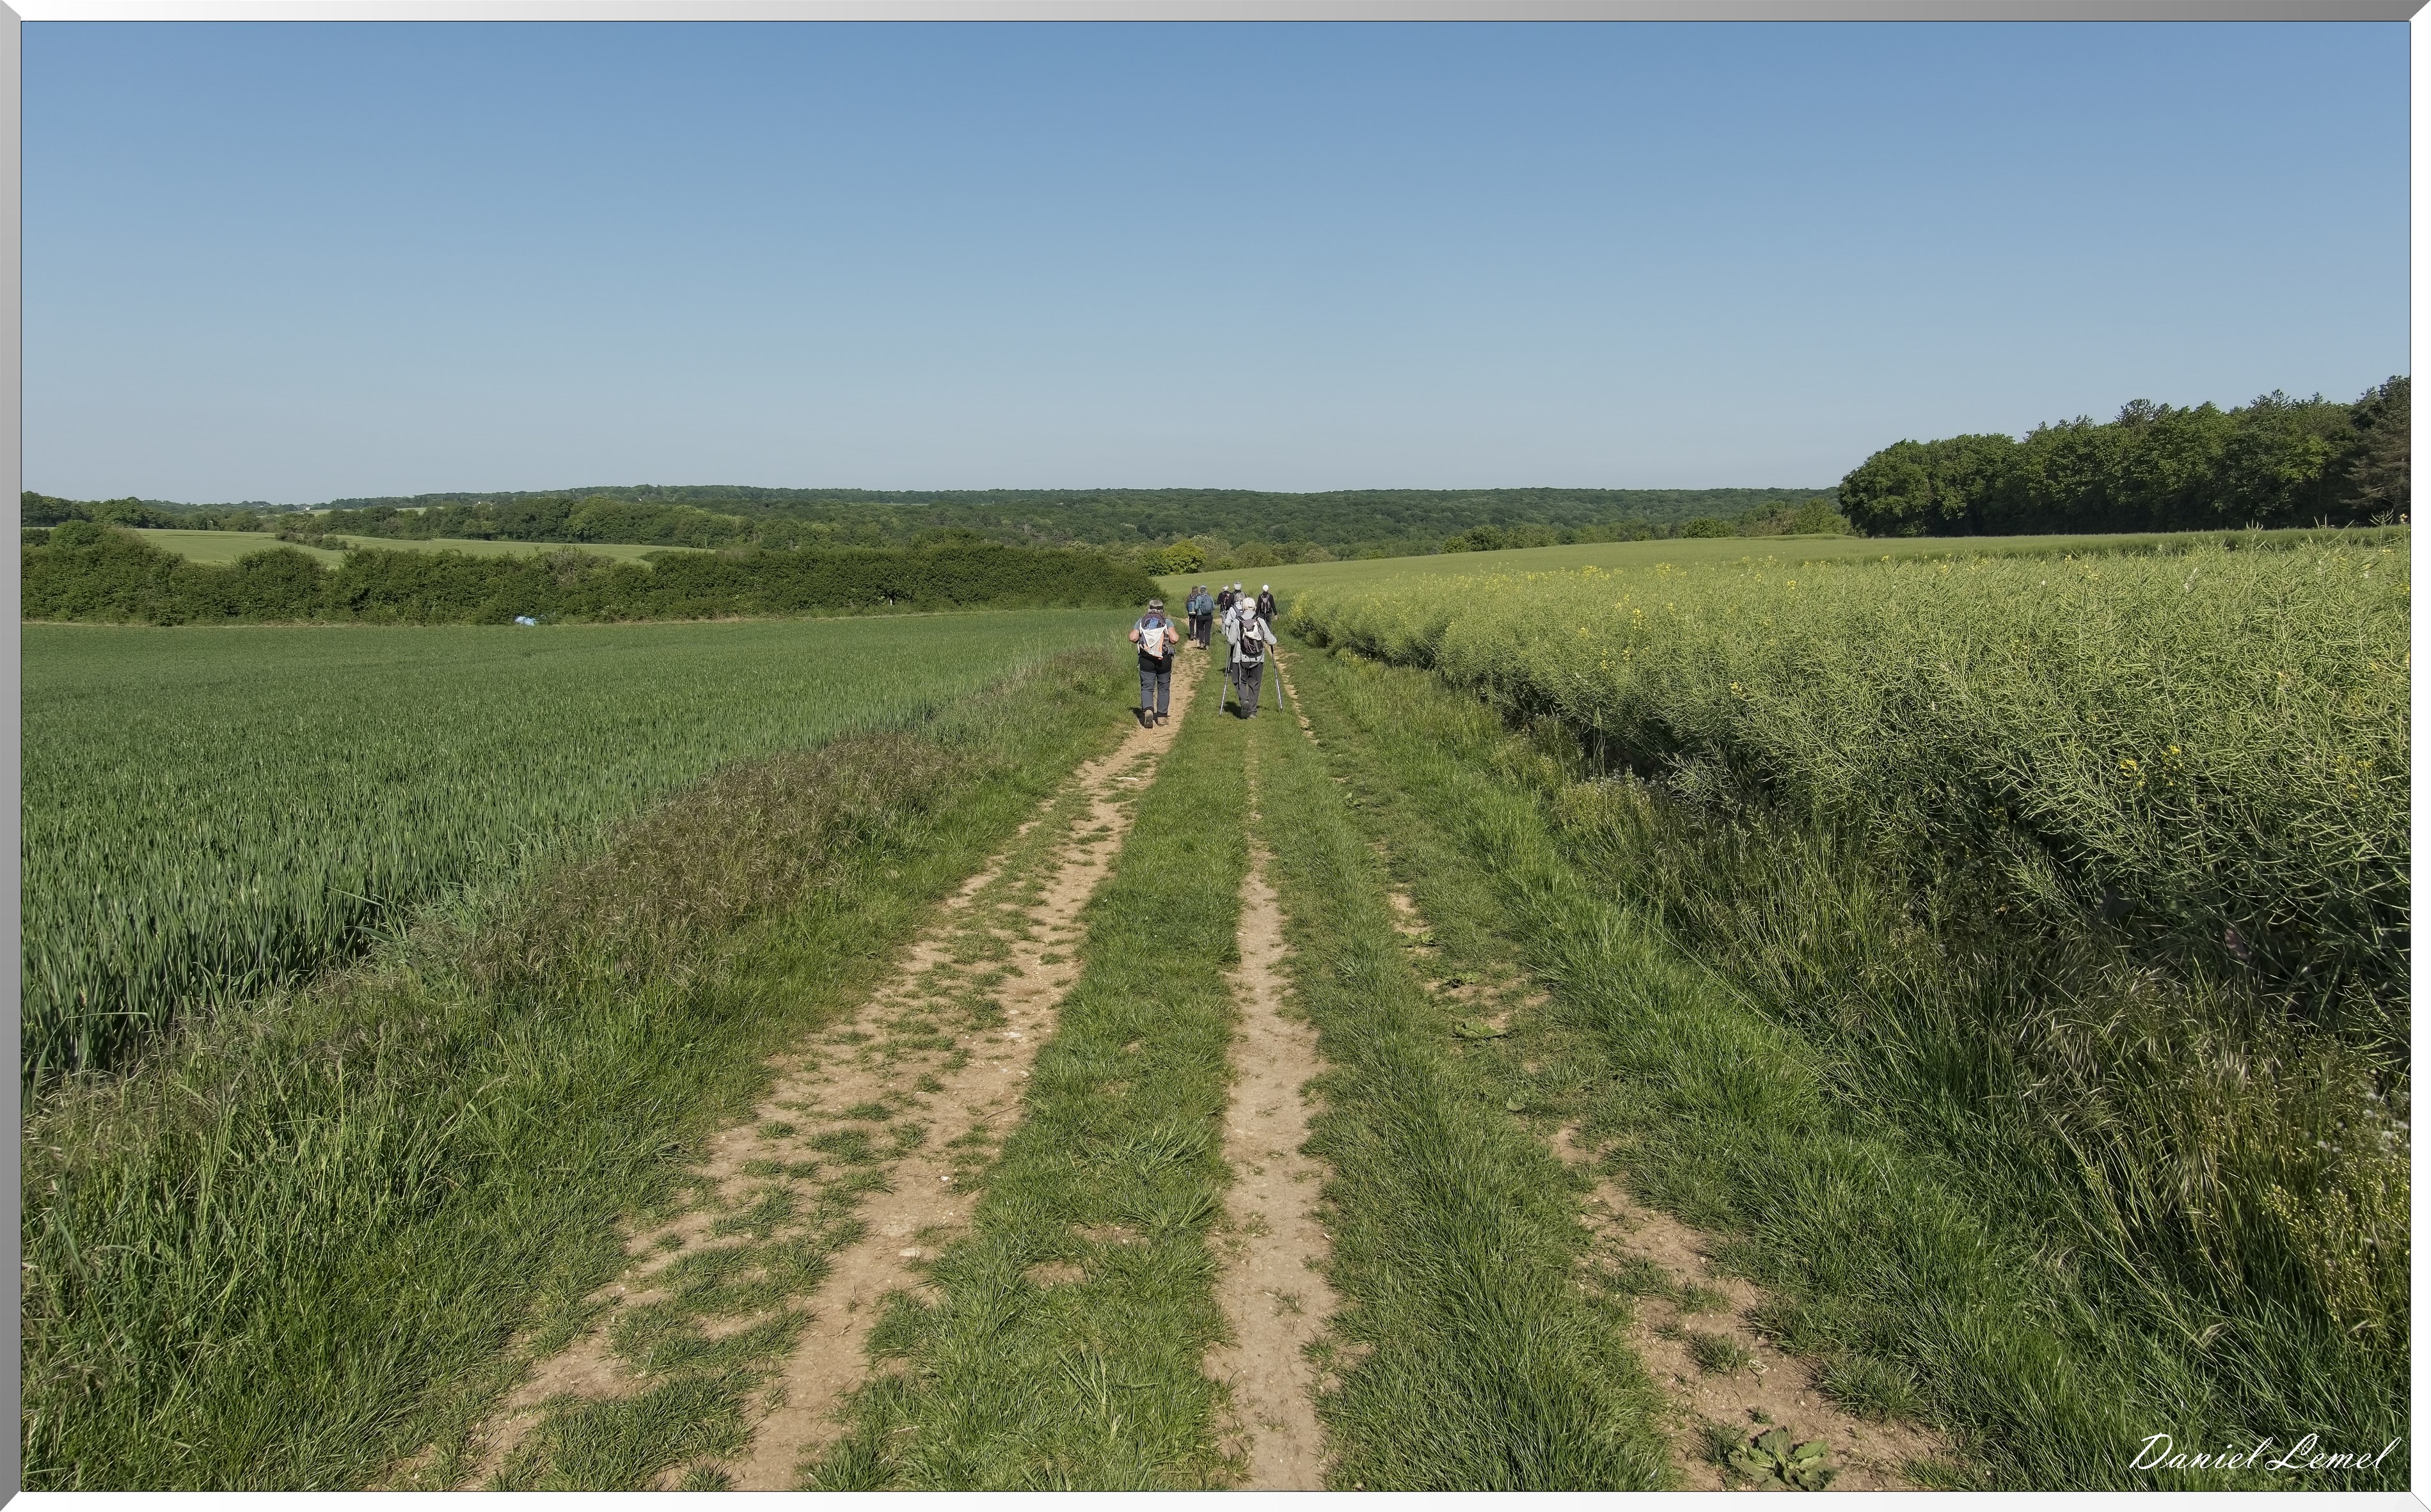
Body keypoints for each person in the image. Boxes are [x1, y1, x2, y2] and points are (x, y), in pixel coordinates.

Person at [1128, 598, 1178, 727]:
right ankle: (1161, 717)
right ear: (1162, 609)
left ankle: (1149, 712)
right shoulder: (1167, 621)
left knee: (1147, 687)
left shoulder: (1142, 621)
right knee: (1164, 686)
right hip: (1164, 659)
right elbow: (1174, 639)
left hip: (1146, 659)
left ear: (1149, 608)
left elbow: (1133, 637)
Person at [1224, 595, 1274, 718]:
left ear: (1243, 608)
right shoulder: (1260, 621)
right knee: (1255, 684)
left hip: (1240, 659)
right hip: (1258, 659)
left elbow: (1231, 641)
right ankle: (1252, 712)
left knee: (1239, 681)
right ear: (1255, 608)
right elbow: (1271, 640)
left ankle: (1244, 700)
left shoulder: (1237, 621)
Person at [1187, 583, 1214, 649]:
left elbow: (1196, 608)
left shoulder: (1199, 598)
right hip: (1209, 616)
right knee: (1207, 630)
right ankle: (1207, 645)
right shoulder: (1210, 597)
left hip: (1200, 616)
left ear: (1200, 592)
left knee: (1201, 630)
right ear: (1206, 591)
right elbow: (1214, 607)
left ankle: (1201, 644)